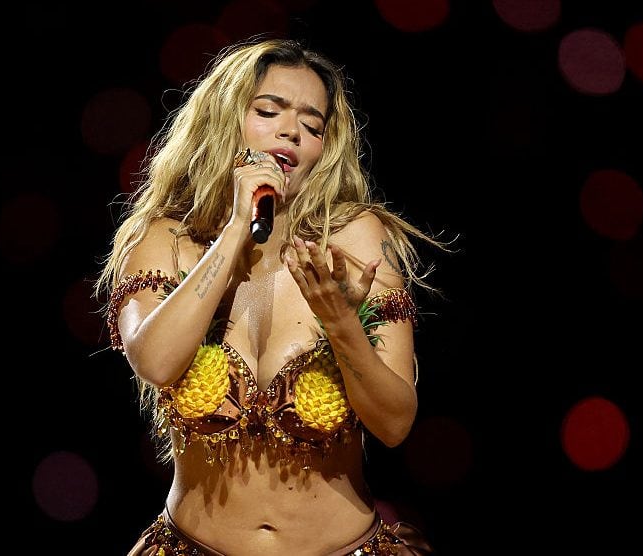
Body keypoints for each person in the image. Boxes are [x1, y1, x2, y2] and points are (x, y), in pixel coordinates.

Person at [95, 37, 447, 556]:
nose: (292, 132)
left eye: (312, 125)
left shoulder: (354, 243)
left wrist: (342, 320)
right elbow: (156, 360)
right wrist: (238, 226)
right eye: (269, 111)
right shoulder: (164, 240)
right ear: (224, 120)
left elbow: (395, 423)